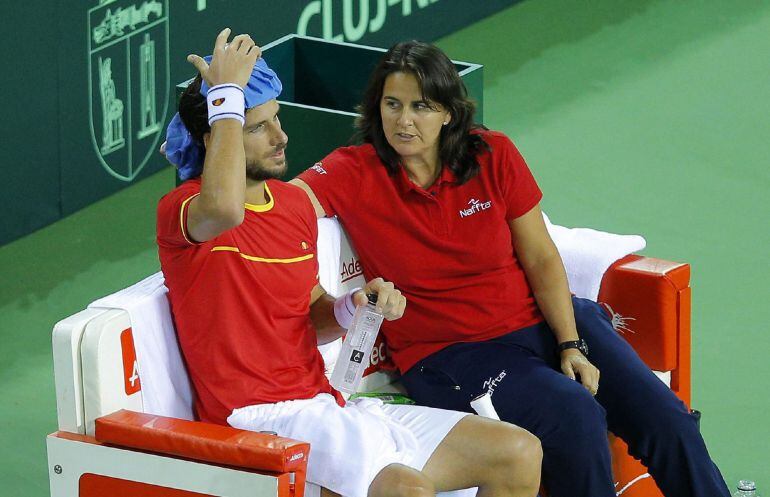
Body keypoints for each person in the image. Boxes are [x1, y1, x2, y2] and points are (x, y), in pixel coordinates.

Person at [292, 40, 731, 497]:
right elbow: (281, 208)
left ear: (447, 112)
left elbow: (541, 257)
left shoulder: (492, 153)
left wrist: (570, 343)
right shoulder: (351, 170)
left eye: (421, 106)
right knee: (575, 413)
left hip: (540, 323)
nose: (404, 121)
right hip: (451, 354)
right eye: (392, 104)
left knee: (667, 420)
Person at [157, 29, 542, 497]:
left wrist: (354, 307)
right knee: (404, 489)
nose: (282, 137)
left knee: (517, 452)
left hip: (325, 404)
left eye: (276, 119)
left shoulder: (292, 207)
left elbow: (309, 314)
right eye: (257, 127)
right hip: (257, 420)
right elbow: (224, 208)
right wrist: (225, 96)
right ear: (217, 133)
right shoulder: (186, 210)